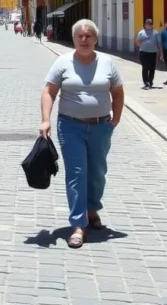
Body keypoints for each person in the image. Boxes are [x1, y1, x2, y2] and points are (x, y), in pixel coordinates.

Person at [39, 18, 124, 249]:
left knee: (97, 172)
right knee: (76, 173)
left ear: (96, 39)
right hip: (70, 126)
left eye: (89, 36)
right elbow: (49, 92)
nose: (84, 39)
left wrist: (114, 120)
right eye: (80, 36)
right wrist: (46, 120)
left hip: (100, 126)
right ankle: (78, 224)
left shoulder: (107, 63)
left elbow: (117, 92)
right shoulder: (62, 62)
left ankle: (92, 209)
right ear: (74, 38)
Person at [134, 18, 162, 89]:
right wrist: (142, 46)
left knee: (152, 68)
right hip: (143, 53)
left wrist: (161, 53)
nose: (149, 25)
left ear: (152, 25)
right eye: (147, 24)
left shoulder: (156, 33)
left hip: (153, 53)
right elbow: (137, 41)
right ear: (145, 25)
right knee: (145, 67)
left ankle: (150, 81)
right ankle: (146, 82)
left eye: (150, 24)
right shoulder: (141, 32)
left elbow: (159, 44)